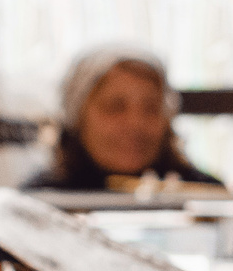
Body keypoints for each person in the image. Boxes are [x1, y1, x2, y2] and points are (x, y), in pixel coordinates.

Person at [37, 47, 221, 190]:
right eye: (115, 107)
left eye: (151, 108)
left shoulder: (208, 198)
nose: (136, 123)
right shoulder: (41, 202)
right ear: (77, 117)